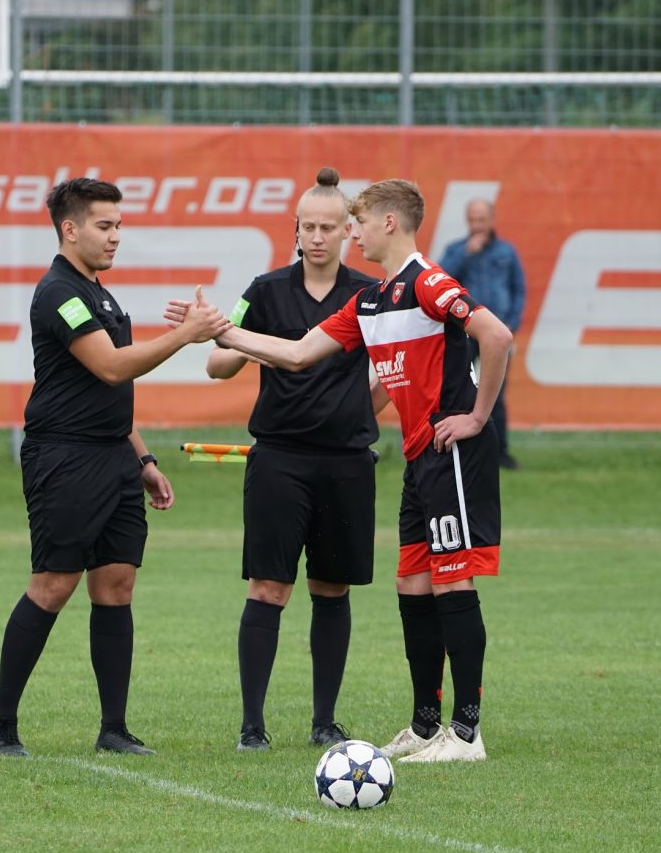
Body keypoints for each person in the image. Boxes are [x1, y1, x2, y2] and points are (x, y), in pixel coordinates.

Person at [186, 178, 511, 763]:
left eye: (354, 222)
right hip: (417, 457)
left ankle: (466, 734)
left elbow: (497, 335)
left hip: (450, 451)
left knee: (451, 581)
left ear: (388, 223)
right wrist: (217, 330)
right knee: (411, 584)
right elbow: (295, 353)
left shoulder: (430, 284)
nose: (348, 232)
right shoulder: (370, 301)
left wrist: (476, 417)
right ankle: (425, 725)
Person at [0, 177, 230, 758]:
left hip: (114, 458)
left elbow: (108, 393)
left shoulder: (102, 293)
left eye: (119, 225)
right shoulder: (59, 293)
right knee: (53, 584)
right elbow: (113, 368)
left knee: (116, 585)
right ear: (70, 229)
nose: (117, 236)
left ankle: (113, 729)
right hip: (64, 458)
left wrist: (142, 458)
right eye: (105, 225)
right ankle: (1, 726)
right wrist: (186, 334)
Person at [205, 168, 381, 752]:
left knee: (332, 589)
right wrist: (225, 338)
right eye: (308, 226)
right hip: (279, 460)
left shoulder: (368, 294)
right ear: (296, 229)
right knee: (268, 588)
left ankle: (324, 722)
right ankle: (252, 726)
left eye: (329, 227)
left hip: (347, 463)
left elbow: (386, 378)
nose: (317, 237)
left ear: (349, 231)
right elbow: (217, 365)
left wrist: (357, 410)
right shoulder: (264, 289)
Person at [440, 198, 525, 469]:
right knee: (457, 390)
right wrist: (466, 253)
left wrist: (510, 324)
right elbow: (440, 280)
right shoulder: (456, 250)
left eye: (481, 220)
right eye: (472, 220)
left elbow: (518, 289)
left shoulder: (506, 252)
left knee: (494, 392)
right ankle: (458, 447)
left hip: (496, 334)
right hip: (464, 333)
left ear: (491, 219)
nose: (477, 226)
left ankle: (500, 452)